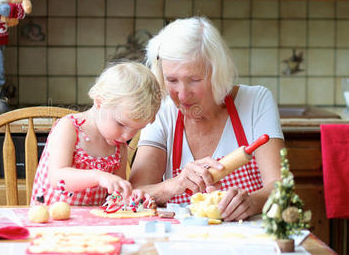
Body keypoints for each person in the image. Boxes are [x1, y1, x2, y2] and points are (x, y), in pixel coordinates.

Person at [129, 17, 285, 222]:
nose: (182, 95)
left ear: (217, 72)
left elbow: (280, 187)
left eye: (194, 80)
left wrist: (252, 202)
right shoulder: (163, 111)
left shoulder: (256, 101)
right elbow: (136, 193)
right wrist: (175, 184)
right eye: (172, 80)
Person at [31, 62, 161, 206]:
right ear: (99, 103)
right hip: (52, 219)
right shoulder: (69, 128)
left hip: (92, 224)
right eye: (121, 124)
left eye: (136, 129)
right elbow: (57, 177)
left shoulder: (119, 148)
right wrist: (98, 176)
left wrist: (131, 198)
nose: (127, 136)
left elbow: (115, 196)